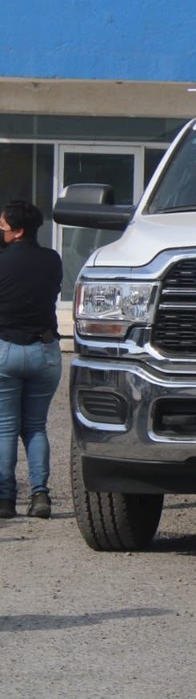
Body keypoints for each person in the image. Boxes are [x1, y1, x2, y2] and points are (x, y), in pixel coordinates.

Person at [0, 200, 63, 520]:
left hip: (6, 350)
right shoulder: (53, 260)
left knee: (5, 429)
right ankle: (40, 495)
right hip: (45, 350)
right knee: (36, 427)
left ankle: (5, 500)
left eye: (3, 229)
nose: (0, 232)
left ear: (19, 231)